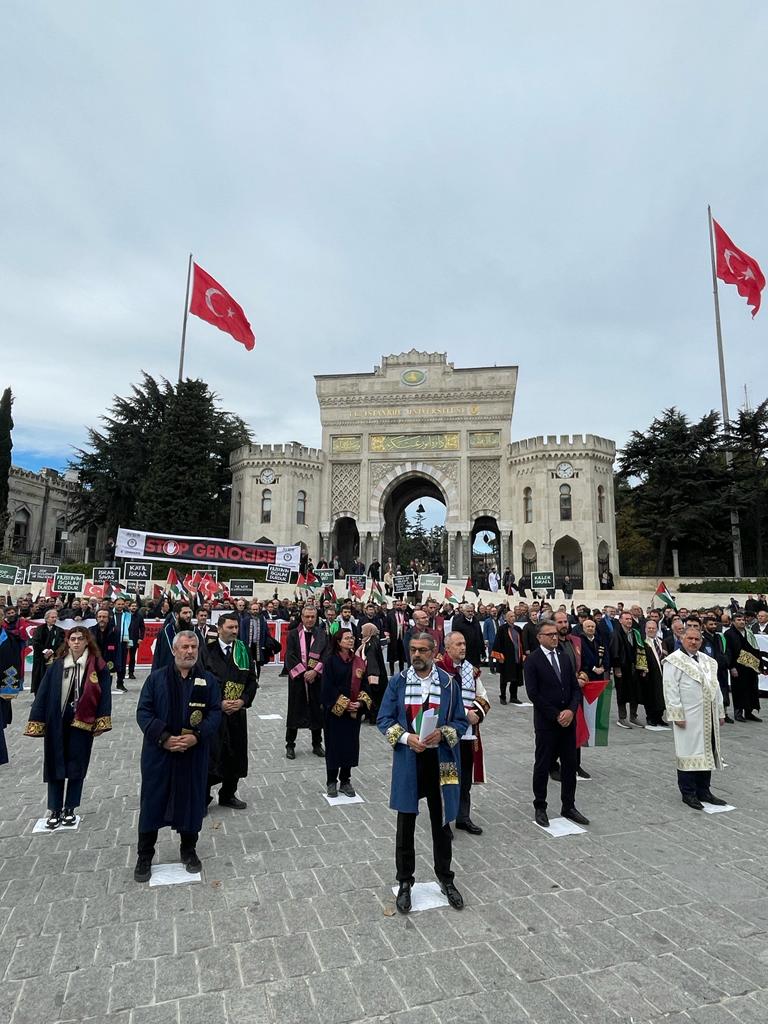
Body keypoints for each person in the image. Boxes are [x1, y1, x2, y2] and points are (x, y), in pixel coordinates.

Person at [377, 632, 467, 913]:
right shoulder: (398, 682)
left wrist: (444, 733)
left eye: (423, 650)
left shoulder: (449, 684)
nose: (417, 655)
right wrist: (406, 738)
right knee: (406, 824)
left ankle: (446, 877)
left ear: (434, 651)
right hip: (409, 761)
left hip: (442, 763)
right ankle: (405, 882)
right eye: (413, 650)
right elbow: (384, 719)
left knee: (442, 824)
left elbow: (461, 722)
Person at [134, 630, 221, 880]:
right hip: (159, 754)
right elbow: (143, 712)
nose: (190, 651)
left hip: (193, 753)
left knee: (191, 802)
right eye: (184, 647)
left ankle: (189, 849)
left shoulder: (208, 680)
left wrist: (197, 736)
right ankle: (144, 855)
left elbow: (215, 712)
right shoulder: (156, 679)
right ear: (174, 650)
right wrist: (164, 737)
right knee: (152, 803)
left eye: (194, 647)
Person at [24, 626, 112, 829]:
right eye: (73, 639)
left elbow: (104, 695)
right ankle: (54, 808)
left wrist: (102, 720)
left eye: (81, 639)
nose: (76, 642)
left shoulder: (97, 665)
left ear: (87, 641)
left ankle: (70, 807)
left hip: (83, 721)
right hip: (57, 720)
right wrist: (37, 720)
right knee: (55, 763)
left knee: (77, 764)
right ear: (68, 641)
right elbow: (44, 693)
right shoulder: (56, 665)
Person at [524, 620, 588, 829]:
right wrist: (556, 715)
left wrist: (570, 710)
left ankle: (568, 805)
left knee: (570, 765)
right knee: (543, 764)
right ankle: (540, 805)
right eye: (549, 634)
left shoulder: (564, 656)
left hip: (568, 721)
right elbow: (534, 694)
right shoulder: (533, 660)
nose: (554, 637)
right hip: (547, 723)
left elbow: (574, 688)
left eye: (555, 634)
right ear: (539, 637)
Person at [198, 612, 259, 809]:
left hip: (237, 713)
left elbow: (252, 680)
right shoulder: (206, 650)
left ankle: (228, 794)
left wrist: (243, 700)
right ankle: (202, 798)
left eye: (236, 627)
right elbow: (200, 682)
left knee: (236, 753)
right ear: (219, 627)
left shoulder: (243, 650)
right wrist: (218, 702)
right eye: (230, 627)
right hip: (214, 713)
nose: (234, 631)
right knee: (211, 755)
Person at [663, 624, 727, 810]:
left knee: (707, 752)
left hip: (708, 716)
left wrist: (721, 711)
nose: (693, 642)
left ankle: (704, 790)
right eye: (689, 638)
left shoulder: (708, 661)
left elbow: (716, 688)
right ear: (682, 639)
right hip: (688, 716)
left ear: (701, 641)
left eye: (697, 639)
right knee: (689, 752)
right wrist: (676, 714)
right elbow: (670, 689)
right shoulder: (673, 661)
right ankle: (688, 792)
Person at [439, 631, 489, 836]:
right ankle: (446, 819)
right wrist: (463, 713)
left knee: (465, 778)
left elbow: (483, 696)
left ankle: (463, 817)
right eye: (458, 644)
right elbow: (436, 702)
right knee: (448, 778)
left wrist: (476, 712)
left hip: (468, 735)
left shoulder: (471, 670)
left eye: (464, 643)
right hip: (447, 736)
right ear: (447, 648)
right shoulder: (437, 670)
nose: (463, 647)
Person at [321, 629, 371, 796]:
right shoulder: (330, 661)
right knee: (334, 747)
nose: (351, 640)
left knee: (349, 746)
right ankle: (331, 781)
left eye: (352, 638)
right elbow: (327, 687)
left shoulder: (358, 661)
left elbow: (365, 685)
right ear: (338, 641)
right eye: (347, 638)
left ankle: (345, 780)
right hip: (335, 713)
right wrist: (345, 703)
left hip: (353, 714)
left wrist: (360, 703)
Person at [284, 606, 328, 759]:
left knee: (316, 711)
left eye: (313, 617)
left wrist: (315, 671)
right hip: (298, 680)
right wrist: (304, 673)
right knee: (295, 710)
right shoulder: (293, 635)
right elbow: (290, 656)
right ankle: (290, 744)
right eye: (307, 616)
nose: (310, 620)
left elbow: (326, 655)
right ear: (301, 617)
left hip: (316, 679)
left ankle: (317, 744)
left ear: (316, 618)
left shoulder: (322, 635)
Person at [725, 612, 762, 722]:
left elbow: (756, 649)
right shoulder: (729, 634)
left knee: (752, 688)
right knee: (739, 689)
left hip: (750, 666)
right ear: (733, 621)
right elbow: (728, 652)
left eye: (743, 620)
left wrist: (759, 665)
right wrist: (731, 667)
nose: (741, 622)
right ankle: (738, 712)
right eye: (738, 620)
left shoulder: (749, 633)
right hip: (738, 667)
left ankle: (749, 712)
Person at [638, 619, 667, 728]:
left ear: (657, 629)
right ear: (645, 629)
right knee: (650, 696)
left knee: (661, 696)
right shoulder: (642, 643)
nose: (651, 630)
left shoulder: (661, 642)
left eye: (653, 628)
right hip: (649, 674)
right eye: (649, 628)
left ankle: (659, 718)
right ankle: (650, 718)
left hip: (662, 673)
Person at [491, 609, 523, 704]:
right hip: (506, 658)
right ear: (506, 618)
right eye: (511, 616)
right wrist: (499, 657)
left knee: (515, 678)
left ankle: (513, 696)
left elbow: (521, 643)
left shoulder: (518, 629)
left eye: (514, 616)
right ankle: (503, 696)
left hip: (516, 657)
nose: (513, 618)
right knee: (504, 678)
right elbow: (497, 643)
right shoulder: (502, 629)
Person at [30, 608, 65, 695]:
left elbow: (61, 643)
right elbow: (36, 642)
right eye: (52, 617)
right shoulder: (39, 629)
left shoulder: (59, 630)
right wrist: (45, 651)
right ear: (46, 618)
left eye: (55, 617)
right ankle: (38, 697)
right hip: (40, 658)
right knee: (39, 677)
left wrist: (52, 651)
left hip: (54, 657)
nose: (54, 619)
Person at [151, 602, 194, 671]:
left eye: (190, 612)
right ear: (176, 615)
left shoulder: (195, 631)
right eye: (185, 613)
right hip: (168, 673)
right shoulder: (165, 632)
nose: (188, 615)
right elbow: (158, 656)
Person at [451, 603, 485, 668]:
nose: (470, 613)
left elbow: (480, 636)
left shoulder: (476, 621)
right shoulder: (458, 622)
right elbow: (455, 638)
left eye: (471, 611)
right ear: (463, 611)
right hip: (464, 653)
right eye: (468, 611)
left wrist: (483, 652)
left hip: (476, 654)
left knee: (475, 675)